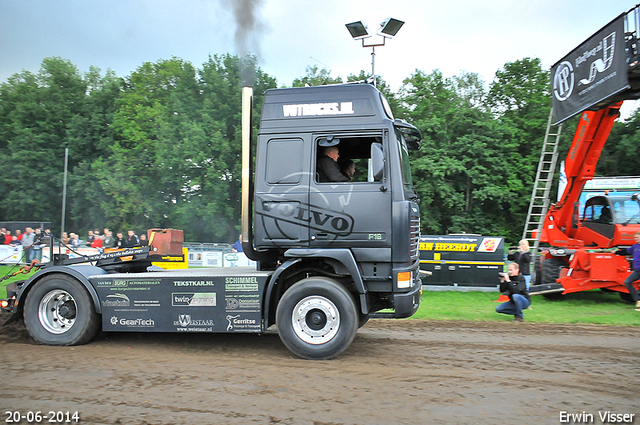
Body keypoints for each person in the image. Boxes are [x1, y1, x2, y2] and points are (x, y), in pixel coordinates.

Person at [616, 231, 640, 312]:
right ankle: (638, 300)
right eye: (635, 237)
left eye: (637, 237)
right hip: (638, 270)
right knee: (627, 282)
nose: (635, 239)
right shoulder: (635, 246)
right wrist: (616, 252)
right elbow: (626, 252)